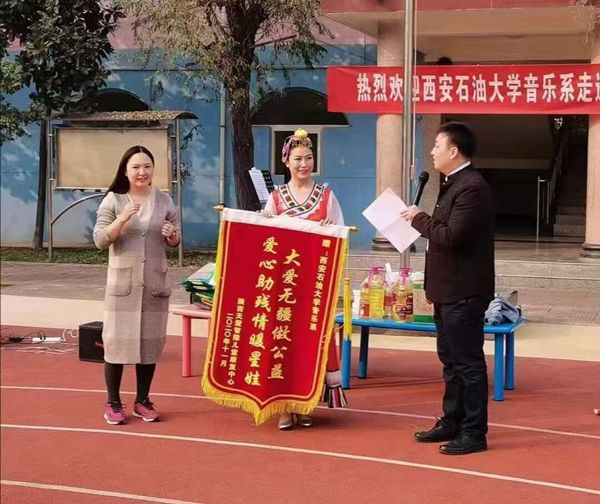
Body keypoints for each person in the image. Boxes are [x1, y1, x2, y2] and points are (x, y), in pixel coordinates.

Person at [400, 122, 495, 455]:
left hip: (463, 291)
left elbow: (452, 236)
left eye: (437, 145)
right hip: (448, 290)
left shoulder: (472, 188)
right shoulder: (454, 183)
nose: (432, 151)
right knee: (451, 361)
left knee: (467, 363)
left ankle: (474, 432)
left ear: (454, 151)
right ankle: (452, 420)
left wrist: (418, 218)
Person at [263, 128, 346, 430]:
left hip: (314, 285)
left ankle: (305, 401)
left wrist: (327, 233)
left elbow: (340, 237)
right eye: (297, 158)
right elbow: (265, 242)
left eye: (308, 158)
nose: (304, 164)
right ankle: (284, 405)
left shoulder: (327, 197)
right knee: (283, 343)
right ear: (286, 161)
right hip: (284, 286)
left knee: (310, 344)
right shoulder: (275, 199)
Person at [93, 145, 180, 425]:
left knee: (150, 344)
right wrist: (121, 219)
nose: (142, 172)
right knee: (116, 344)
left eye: (147, 166)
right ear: (125, 170)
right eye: (136, 167)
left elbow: (176, 239)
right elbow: (100, 240)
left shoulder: (164, 200)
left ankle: (143, 400)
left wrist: (172, 236)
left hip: (154, 284)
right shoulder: (114, 200)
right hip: (123, 286)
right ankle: (113, 402)